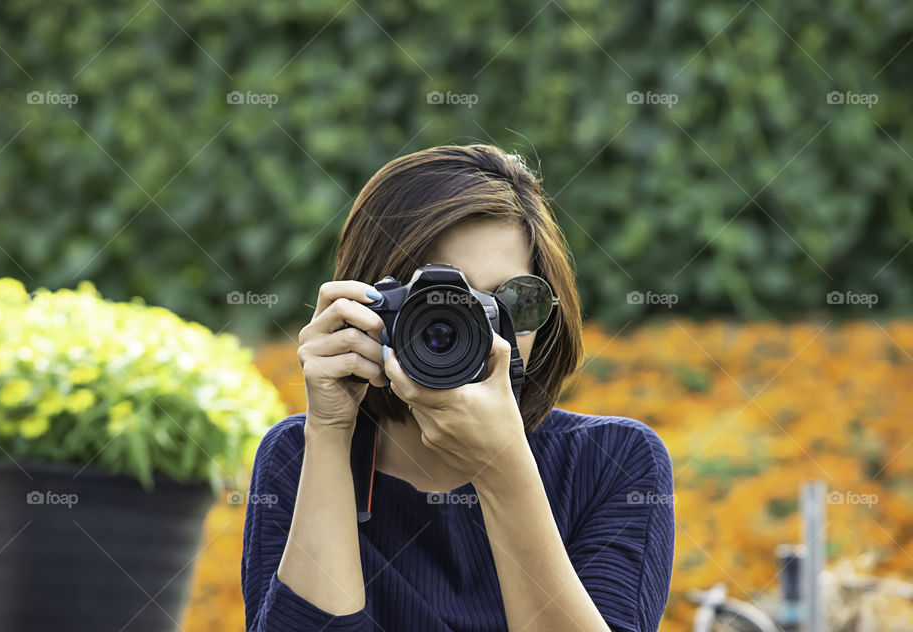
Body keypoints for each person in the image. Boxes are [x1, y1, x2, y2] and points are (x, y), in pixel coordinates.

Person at [241, 144, 675, 631]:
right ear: (366, 306)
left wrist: (502, 468)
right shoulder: (299, 457)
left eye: (513, 300)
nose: (477, 328)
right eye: (439, 302)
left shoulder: (612, 462)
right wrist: (329, 431)